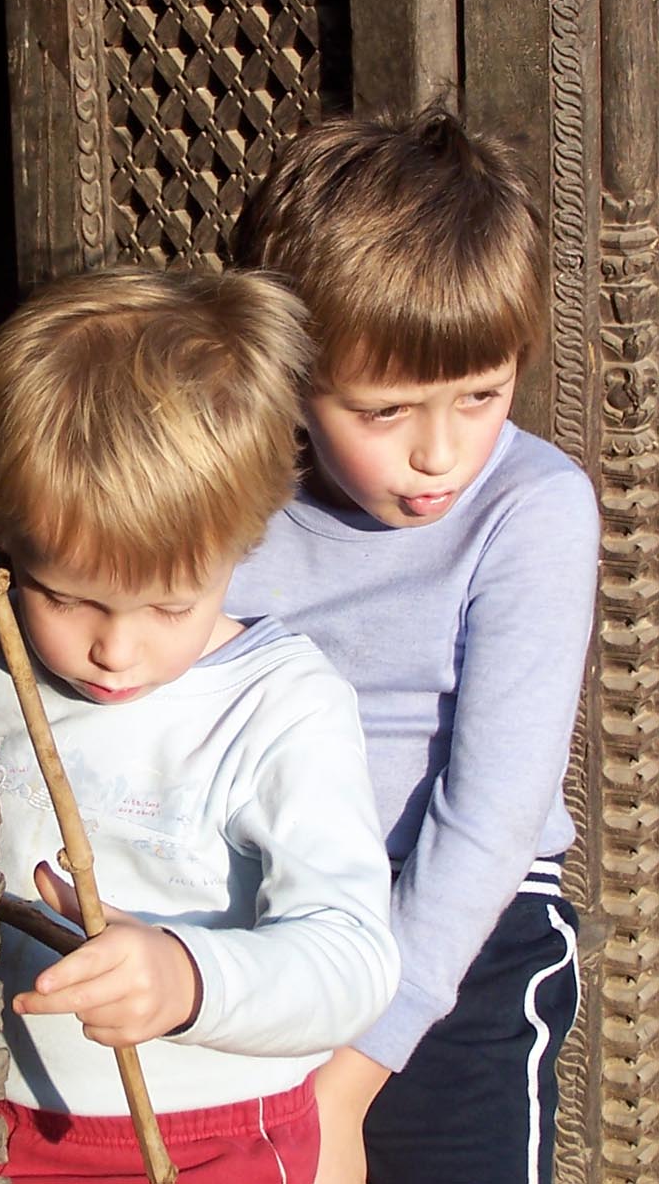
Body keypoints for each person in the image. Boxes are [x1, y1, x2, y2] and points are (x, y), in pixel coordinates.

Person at [226, 106, 600, 1184]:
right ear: (290, 372)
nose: (440, 453)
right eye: (385, 410)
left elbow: (488, 817)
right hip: (265, 923)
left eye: (482, 395)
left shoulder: (529, 511)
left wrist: (344, 1084)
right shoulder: (229, 501)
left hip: (462, 943)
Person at [0, 266, 399, 1183]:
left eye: (167, 607)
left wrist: (186, 978)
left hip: (212, 1134)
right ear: (2, 534)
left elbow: (353, 956)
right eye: (66, 596)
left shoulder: (276, 705)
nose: (113, 650)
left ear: (241, 544)